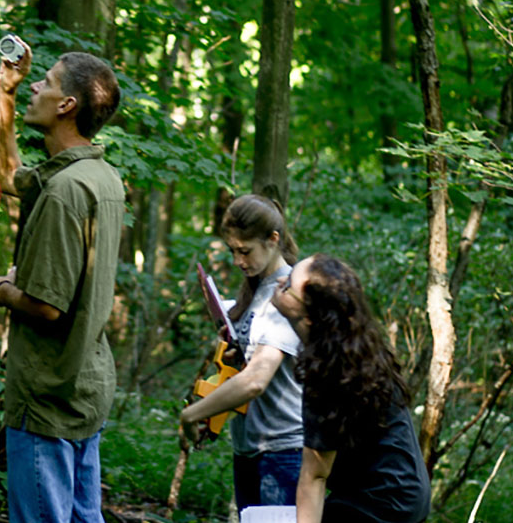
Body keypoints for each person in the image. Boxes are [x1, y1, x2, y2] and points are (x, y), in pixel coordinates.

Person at [0, 38, 123, 522]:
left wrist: (3, 289)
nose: (35, 87)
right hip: (82, 385)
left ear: (66, 105)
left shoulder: (66, 191)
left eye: (44, 82)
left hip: (48, 394)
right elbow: (5, 175)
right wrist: (6, 92)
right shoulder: (98, 176)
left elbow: (47, 306)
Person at [271, 254, 431, 522]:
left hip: (379, 503)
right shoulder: (353, 346)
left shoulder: (329, 372)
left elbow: (314, 476)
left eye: (287, 284)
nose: (279, 282)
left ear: (310, 316)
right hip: (405, 494)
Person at [179, 194, 305, 513]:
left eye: (244, 251)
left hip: (283, 451)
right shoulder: (259, 289)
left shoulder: (286, 293)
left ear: (273, 240)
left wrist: (191, 414)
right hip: (251, 447)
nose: (237, 260)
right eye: (233, 250)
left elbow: (256, 381)